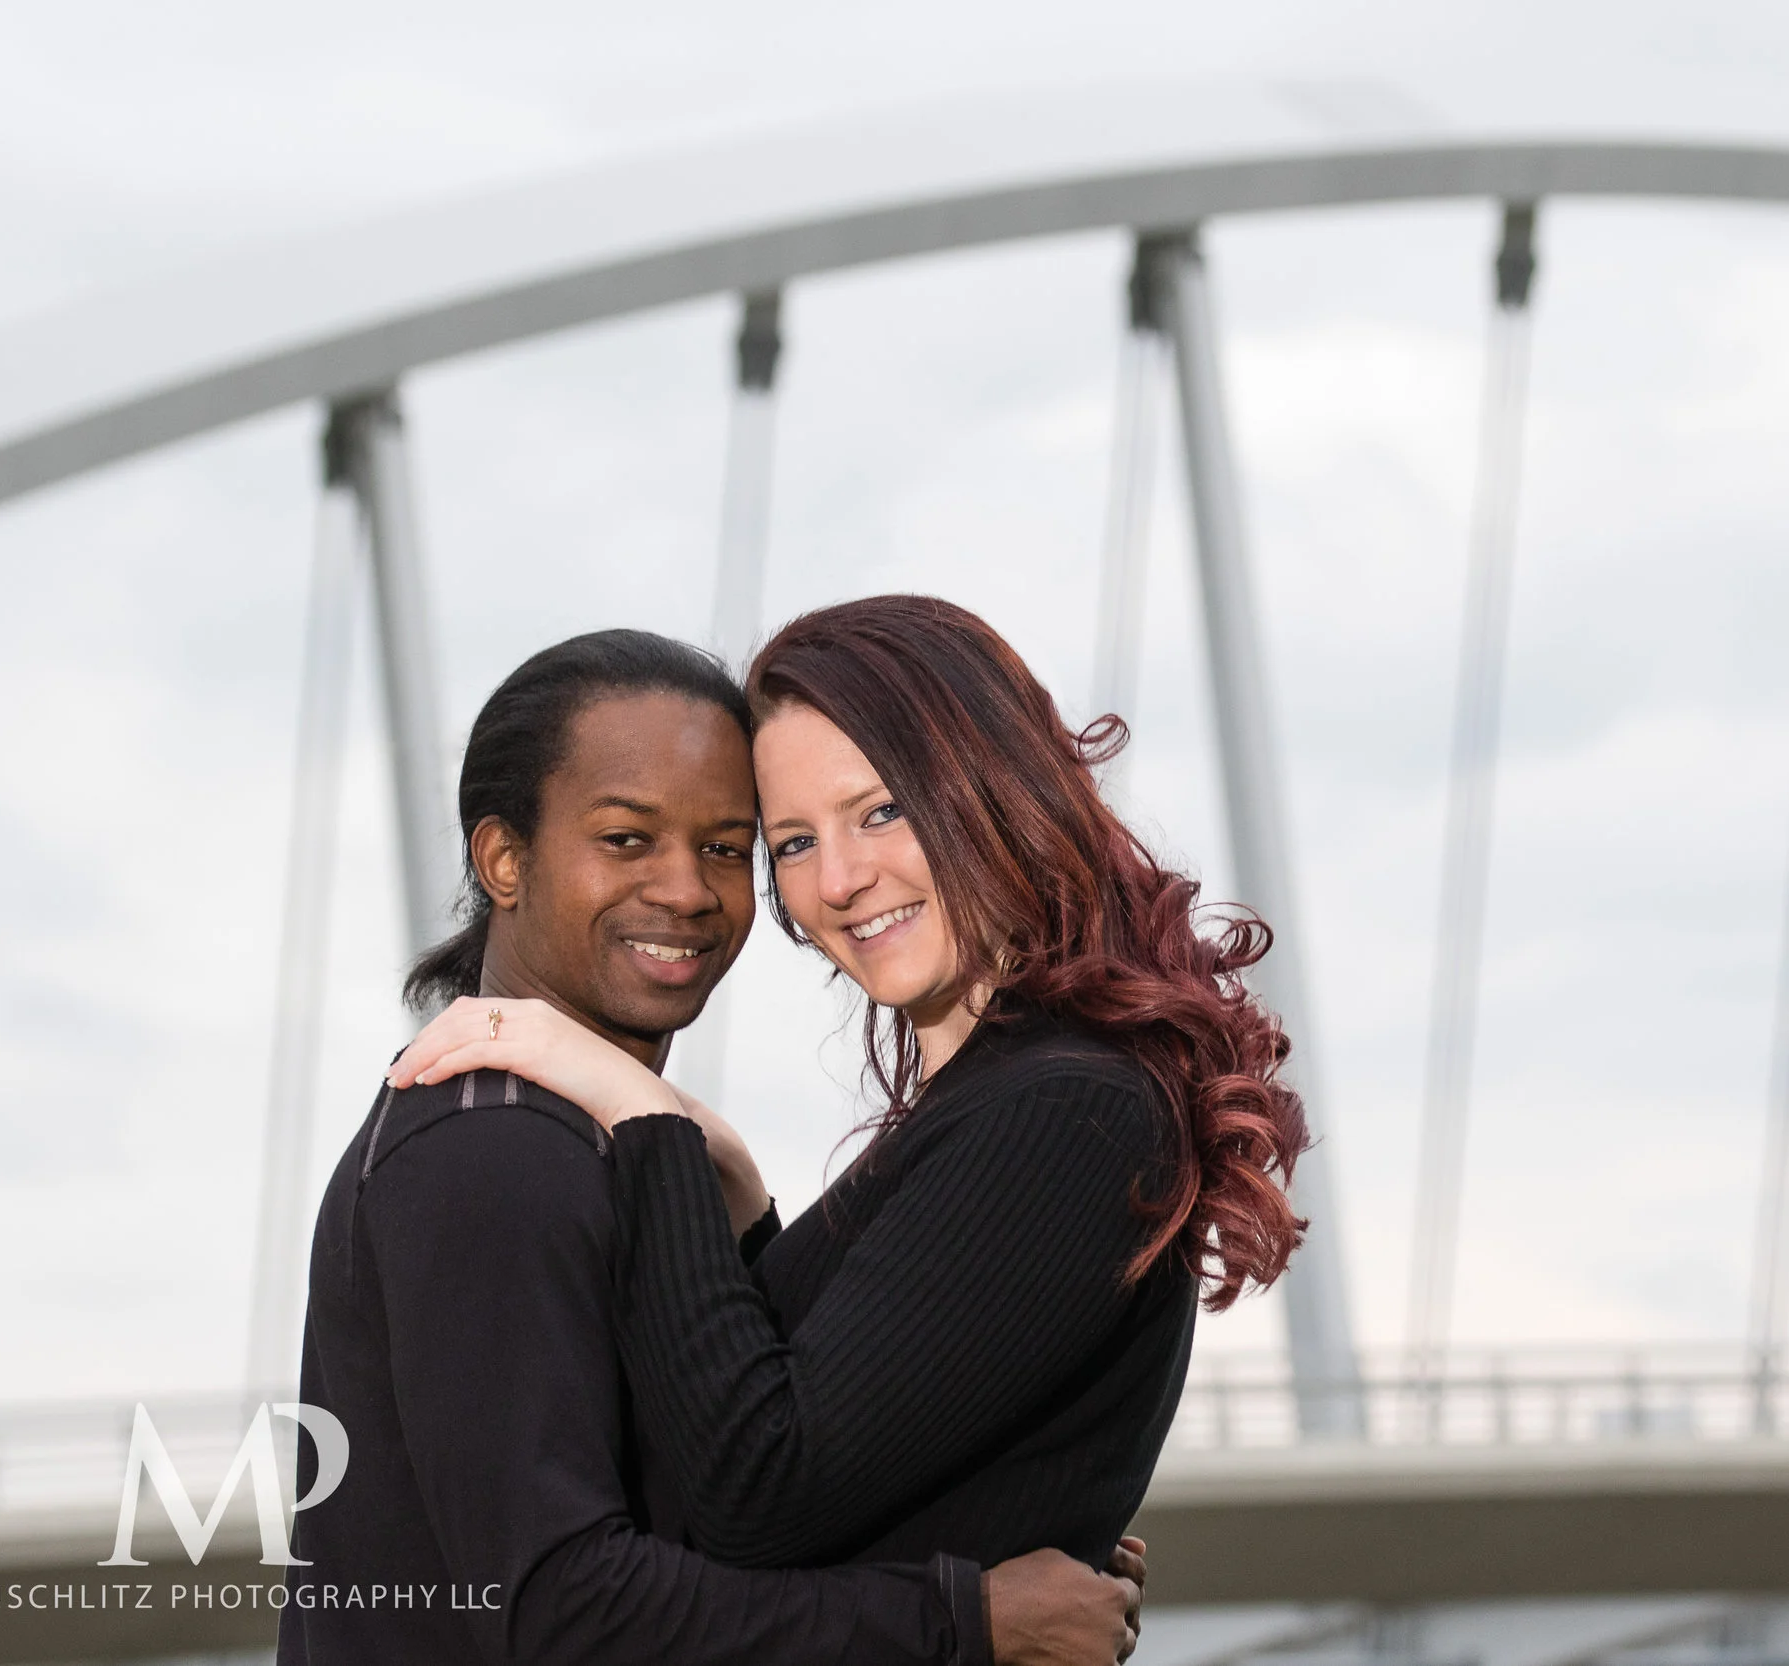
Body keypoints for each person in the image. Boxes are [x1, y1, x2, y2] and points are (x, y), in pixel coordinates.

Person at [390, 594, 1312, 1581]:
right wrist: (742, 1210)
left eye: (881, 811)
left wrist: (642, 1112)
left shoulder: (1063, 1112)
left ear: (996, 788)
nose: (837, 880)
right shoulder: (1002, 1099)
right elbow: (850, 1411)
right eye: (790, 843)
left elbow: (760, 1491)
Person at [281, 629, 1142, 1666]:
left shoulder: (589, 1143)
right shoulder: (493, 1150)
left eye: (729, 848)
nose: (687, 890)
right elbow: (563, 1609)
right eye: (627, 839)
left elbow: (734, 1458)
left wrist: (990, 1515)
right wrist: (966, 1618)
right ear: (504, 859)